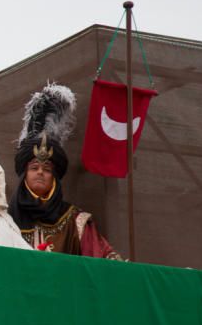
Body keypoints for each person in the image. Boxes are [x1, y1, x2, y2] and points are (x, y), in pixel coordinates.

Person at [8, 83, 124, 260]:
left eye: (47, 169)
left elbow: (103, 257)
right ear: (25, 174)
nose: (40, 172)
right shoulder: (6, 219)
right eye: (34, 168)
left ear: (54, 176)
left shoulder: (74, 220)